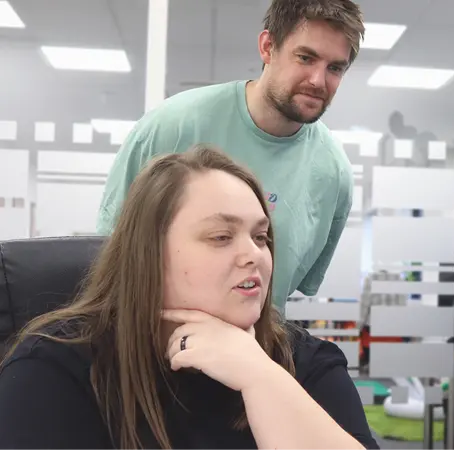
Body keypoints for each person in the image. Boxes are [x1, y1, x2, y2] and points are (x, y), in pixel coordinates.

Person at [0, 145, 378, 450]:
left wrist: (261, 377)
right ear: (148, 253)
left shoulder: (303, 361)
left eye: (260, 237)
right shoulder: (55, 367)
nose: (255, 255)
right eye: (220, 237)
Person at [97, 0, 365, 313]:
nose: (318, 81)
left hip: (257, 348)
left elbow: (288, 288)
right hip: (152, 344)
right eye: (305, 57)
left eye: (335, 68)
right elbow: (107, 251)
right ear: (268, 47)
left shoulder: (334, 176)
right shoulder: (171, 127)